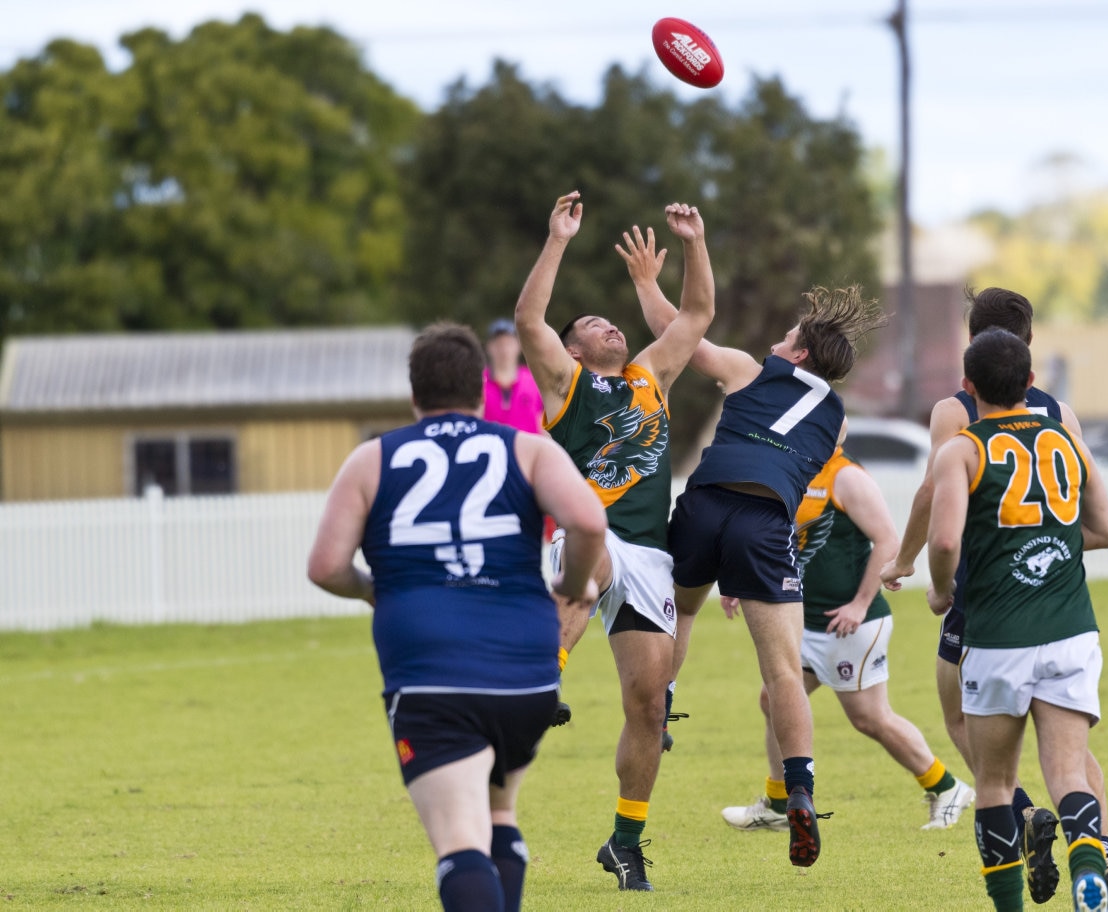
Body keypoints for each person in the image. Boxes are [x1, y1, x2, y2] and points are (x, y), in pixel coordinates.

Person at [305, 322, 607, 912]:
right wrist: (573, 588)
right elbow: (590, 523)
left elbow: (324, 566)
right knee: (499, 815)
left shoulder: (373, 459)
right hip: (528, 673)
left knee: (459, 843)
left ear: (414, 396)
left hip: (431, 671)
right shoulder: (527, 447)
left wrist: (372, 590)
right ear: (480, 392)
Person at [880, 287, 1108, 911]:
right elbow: (1102, 528)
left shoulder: (959, 426)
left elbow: (935, 512)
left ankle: (1020, 847)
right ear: (1030, 362)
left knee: (985, 764)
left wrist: (924, 574)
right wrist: (1046, 547)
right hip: (1068, 616)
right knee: (1070, 763)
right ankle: (1099, 858)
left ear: (968, 369)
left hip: (990, 611)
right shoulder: (1062, 420)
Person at [635, 267, 885, 868]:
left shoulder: (752, 370)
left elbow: (681, 335)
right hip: (766, 521)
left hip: (705, 501)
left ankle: (661, 702)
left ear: (797, 354)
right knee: (782, 672)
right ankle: (798, 787)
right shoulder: (839, 421)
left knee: (682, 616)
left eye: (785, 336)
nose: (775, 341)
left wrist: (647, 282)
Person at [513, 191, 715, 892]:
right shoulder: (567, 385)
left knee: (648, 703)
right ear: (572, 351)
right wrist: (558, 238)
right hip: (586, 536)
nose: (612, 328)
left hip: (650, 555)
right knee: (592, 556)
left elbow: (695, 316)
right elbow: (527, 319)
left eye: (612, 322)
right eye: (595, 325)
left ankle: (625, 841)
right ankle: (545, 680)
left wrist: (692, 243)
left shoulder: (650, 378)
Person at [719, 445, 975, 834]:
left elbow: (888, 541)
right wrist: (743, 580)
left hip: (850, 625)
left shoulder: (845, 477)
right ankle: (776, 803)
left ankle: (947, 787)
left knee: (870, 718)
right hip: (805, 620)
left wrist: (858, 604)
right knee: (774, 699)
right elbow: (777, 539)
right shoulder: (788, 470)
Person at [482, 318, 545, 436]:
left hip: (528, 450)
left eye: (508, 344)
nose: (504, 350)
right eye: (499, 344)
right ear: (489, 347)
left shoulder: (535, 380)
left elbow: (543, 424)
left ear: (518, 346)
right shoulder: (478, 381)